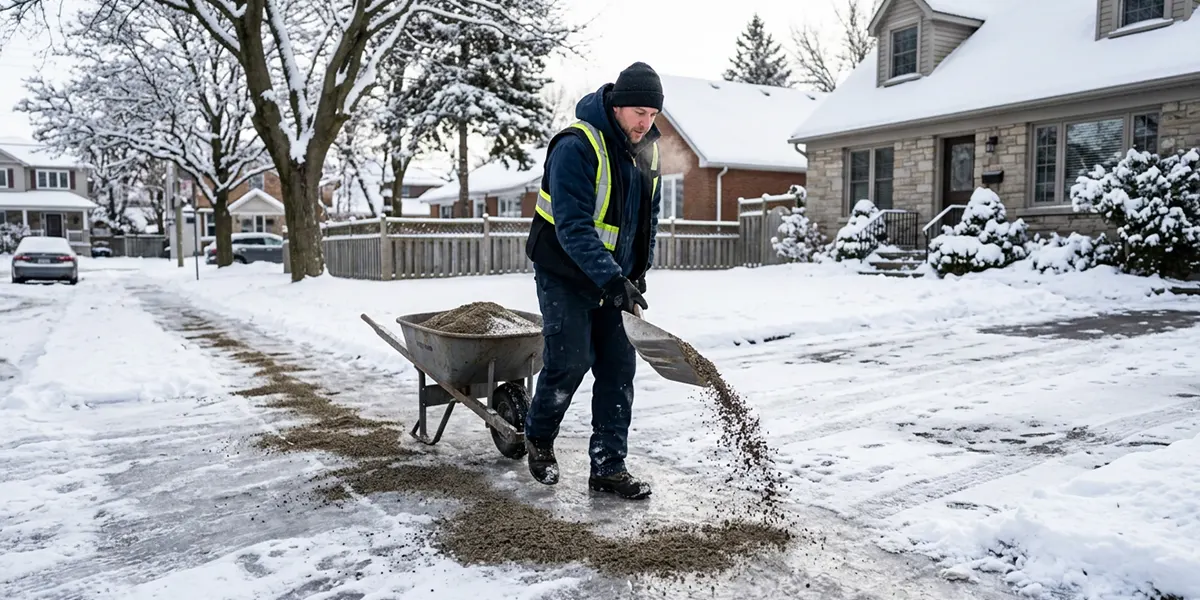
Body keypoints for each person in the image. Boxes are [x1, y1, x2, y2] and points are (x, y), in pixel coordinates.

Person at [522, 62, 664, 500]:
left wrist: (636, 274)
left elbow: (647, 221)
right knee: (570, 361)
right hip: (565, 271)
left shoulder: (648, 151)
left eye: (653, 115)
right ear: (617, 106)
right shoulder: (576, 146)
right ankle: (539, 438)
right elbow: (573, 227)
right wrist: (612, 277)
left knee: (619, 369)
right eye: (639, 112)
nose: (645, 122)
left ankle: (608, 466)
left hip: (613, 278)